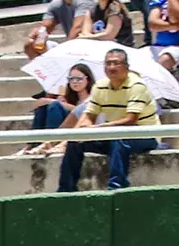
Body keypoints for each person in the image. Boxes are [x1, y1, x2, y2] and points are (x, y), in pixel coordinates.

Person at [58, 47, 161, 192]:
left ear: (126, 66)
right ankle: (66, 189)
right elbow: (89, 115)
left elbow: (131, 120)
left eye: (116, 63)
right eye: (108, 63)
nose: (112, 67)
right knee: (75, 142)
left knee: (120, 139)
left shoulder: (137, 86)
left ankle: (116, 188)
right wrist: (84, 129)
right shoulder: (100, 86)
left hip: (144, 136)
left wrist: (98, 128)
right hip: (113, 134)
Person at [20, 63, 94, 155]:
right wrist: (57, 102)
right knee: (45, 107)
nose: (75, 82)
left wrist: (60, 104)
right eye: (71, 79)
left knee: (55, 106)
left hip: (78, 126)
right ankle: (32, 144)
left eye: (79, 79)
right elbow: (36, 104)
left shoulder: (93, 96)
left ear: (88, 79)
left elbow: (82, 111)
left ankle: (49, 143)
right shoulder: (68, 97)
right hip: (63, 124)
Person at [27, 0, 96, 57]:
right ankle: (41, 71)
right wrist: (38, 34)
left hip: (87, 46)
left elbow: (77, 30)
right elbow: (45, 27)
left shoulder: (85, 2)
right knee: (29, 45)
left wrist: (64, 51)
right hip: (69, 45)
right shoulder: (56, 4)